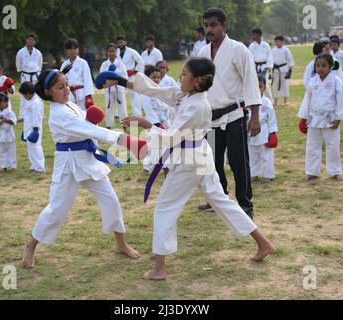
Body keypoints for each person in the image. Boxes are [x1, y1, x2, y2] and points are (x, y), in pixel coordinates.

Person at [99, 57, 275, 280]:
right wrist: (122, 82)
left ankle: (160, 269)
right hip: (200, 154)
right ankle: (263, 243)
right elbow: (157, 91)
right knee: (219, 199)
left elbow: (171, 137)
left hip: (190, 160)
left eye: (184, 74)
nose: (179, 76)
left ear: (197, 81)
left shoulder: (198, 106)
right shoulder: (186, 93)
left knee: (164, 207)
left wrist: (145, 124)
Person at [21, 68, 146, 268]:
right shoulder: (58, 114)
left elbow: (87, 125)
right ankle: (31, 246)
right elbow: (92, 130)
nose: (67, 89)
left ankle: (121, 243)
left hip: (87, 160)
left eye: (67, 84)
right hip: (67, 164)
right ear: (48, 92)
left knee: (111, 200)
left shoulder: (69, 105)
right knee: (56, 210)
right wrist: (128, 141)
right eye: (61, 87)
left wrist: (90, 117)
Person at [198, 7, 262, 219]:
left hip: (234, 116)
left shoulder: (238, 50)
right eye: (206, 25)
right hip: (210, 118)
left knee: (238, 162)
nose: (209, 29)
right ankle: (219, 198)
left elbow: (251, 82)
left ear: (224, 26)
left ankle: (245, 204)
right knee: (213, 162)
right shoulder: (202, 53)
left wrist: (254, 116)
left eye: (214, 25)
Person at [298, 54, 343, 181]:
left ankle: (335, 171)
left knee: (332, 144)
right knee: (312, 145)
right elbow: (307, 101)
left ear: (330, 67)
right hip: (314, 117)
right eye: (317, 66)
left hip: (330, 117)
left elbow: (341, 101)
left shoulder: (336, 81)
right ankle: (311, 171)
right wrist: (303, 118)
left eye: (323, 66)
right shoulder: (312, 82)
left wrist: (338, 118)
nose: (320, 68)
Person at [248, 75, 278, 182]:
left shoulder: (267, 102)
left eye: (260, 86)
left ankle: (268, 175)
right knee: (252, 155)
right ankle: (253, 174)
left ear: (264, 87)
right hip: (250, 132)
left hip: (264, 131)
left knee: (266, 155)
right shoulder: (247, 102)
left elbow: (272, 119)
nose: (257, 89)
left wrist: (273, 132)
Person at [60, 38, 95, 111]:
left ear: (78, 49)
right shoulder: (64, 64)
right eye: (70, 48)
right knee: (71, 115)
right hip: (69, 94)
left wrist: (88, 95)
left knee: (83, 115)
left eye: (75, 48)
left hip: (81, 93)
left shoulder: (83, 63)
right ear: (66, 50)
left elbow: (88, 80)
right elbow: (60, 80)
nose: (73, 51)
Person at [19, 81, 46, 173]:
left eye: (24, 95)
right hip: (28, 129)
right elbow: (27, 117)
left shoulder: (36, 103)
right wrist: (24, 131)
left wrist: (35, 130)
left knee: (36, 149)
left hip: (35, 129)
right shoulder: (30, 101)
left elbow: (37, 117)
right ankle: (34, 166)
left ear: (28, 93)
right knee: (31, 149)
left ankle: (40, 168)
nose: (23, 97)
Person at [99, 44, 128, 129]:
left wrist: (116, 80)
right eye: (109, 51)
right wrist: (108, 81)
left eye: (113, 51)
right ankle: (109, 125)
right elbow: (101, 76)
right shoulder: (104, 64)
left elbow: (125, 77)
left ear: (116, 52)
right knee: (109, 106)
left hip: (119, 88)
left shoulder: (120, 64)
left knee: (122, 106)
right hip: (108, 88)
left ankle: (124, 124)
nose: (111, 53)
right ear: (107, 53)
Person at [16, 34, 43, 121]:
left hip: (35, 75)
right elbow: (18, 65)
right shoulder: (21, 52)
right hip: (25, 75)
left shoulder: (38, 52)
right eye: (29, 39)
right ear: (26, 40)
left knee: (37, 94)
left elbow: (40, 65)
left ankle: (39, 112)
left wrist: (38, 73)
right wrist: (21, 74)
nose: (30, 41)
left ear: (35, 42)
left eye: (32, 40)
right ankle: (22, 115)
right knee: (24, 95)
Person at [116, 35, 145, 117]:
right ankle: (119, 113)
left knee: (134, 94)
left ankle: (137, 113)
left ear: (125, 42)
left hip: (130, 75)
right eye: (119, 42)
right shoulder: (116, 52)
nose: (120, 43)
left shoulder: (132, 51)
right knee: (120, 94)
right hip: (120, 75)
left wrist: (135, 71)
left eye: (122, 42)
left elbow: (141, 61)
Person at [0, 93, 17, 172]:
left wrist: (6, 120)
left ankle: (13, 166)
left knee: (11, 150)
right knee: (0, 151)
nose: (6, 104)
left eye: (7, 102)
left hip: (9, 134)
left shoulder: (10, 112)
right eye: (4, 102)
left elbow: (13, 122)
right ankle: (3, 166)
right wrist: (1, 121)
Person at [249, 28, 274, 102]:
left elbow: (270, 57)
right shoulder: (252, 46)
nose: (252, 36)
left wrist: (267, 69)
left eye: (254, 35)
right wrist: (253, 68)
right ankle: (258, 101)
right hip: (255, 68)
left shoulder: (266, 45)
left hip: (264, 67)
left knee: (265, 85)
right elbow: (250, 58)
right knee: (255, 85)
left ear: (259, 35)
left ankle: (270, 102)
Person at [272, 35, 295, 107]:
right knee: (275, 85)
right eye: (275, 42)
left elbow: (290, 60)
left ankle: (285, 101)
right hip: (276, 70)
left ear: (282, 42)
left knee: (284, 85)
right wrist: (272, 67)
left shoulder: (286, 50)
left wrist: (290, 70)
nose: (276, 43)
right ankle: (275, 102)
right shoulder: (273, 50)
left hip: (283, 69)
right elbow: (271, 60)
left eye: (278, 41)